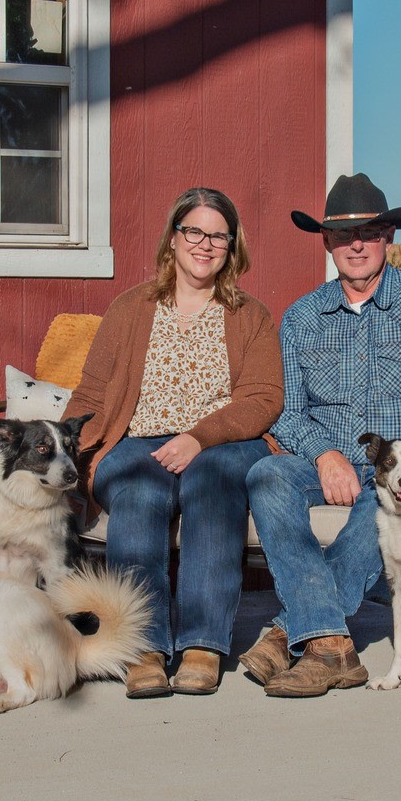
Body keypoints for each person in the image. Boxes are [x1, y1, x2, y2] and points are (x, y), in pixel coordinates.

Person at [241, 173, 401, 698]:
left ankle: (293, 634)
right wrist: (325, 455)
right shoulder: (301, 320)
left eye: (369, 231)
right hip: (330, 463)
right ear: (326, 242)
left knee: (381, 509)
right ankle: (328, 642)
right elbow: (286, 413)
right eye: (342, 235)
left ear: (388, 237)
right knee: (266, 473)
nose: (355, 244)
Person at [68, 187, 284, 697]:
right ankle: (141, 645)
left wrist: (198, 438)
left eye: (218, 236)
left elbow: (263, 399)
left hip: (223, 443)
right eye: (194, 231)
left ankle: (203, 644)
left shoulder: (250, 315)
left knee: (210, 483)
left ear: (232, 247)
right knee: (140, 493)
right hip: (138, 440)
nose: (204, 245)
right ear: (173, 237)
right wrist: (68, 446)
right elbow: (92, 391)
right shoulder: (130, 309)